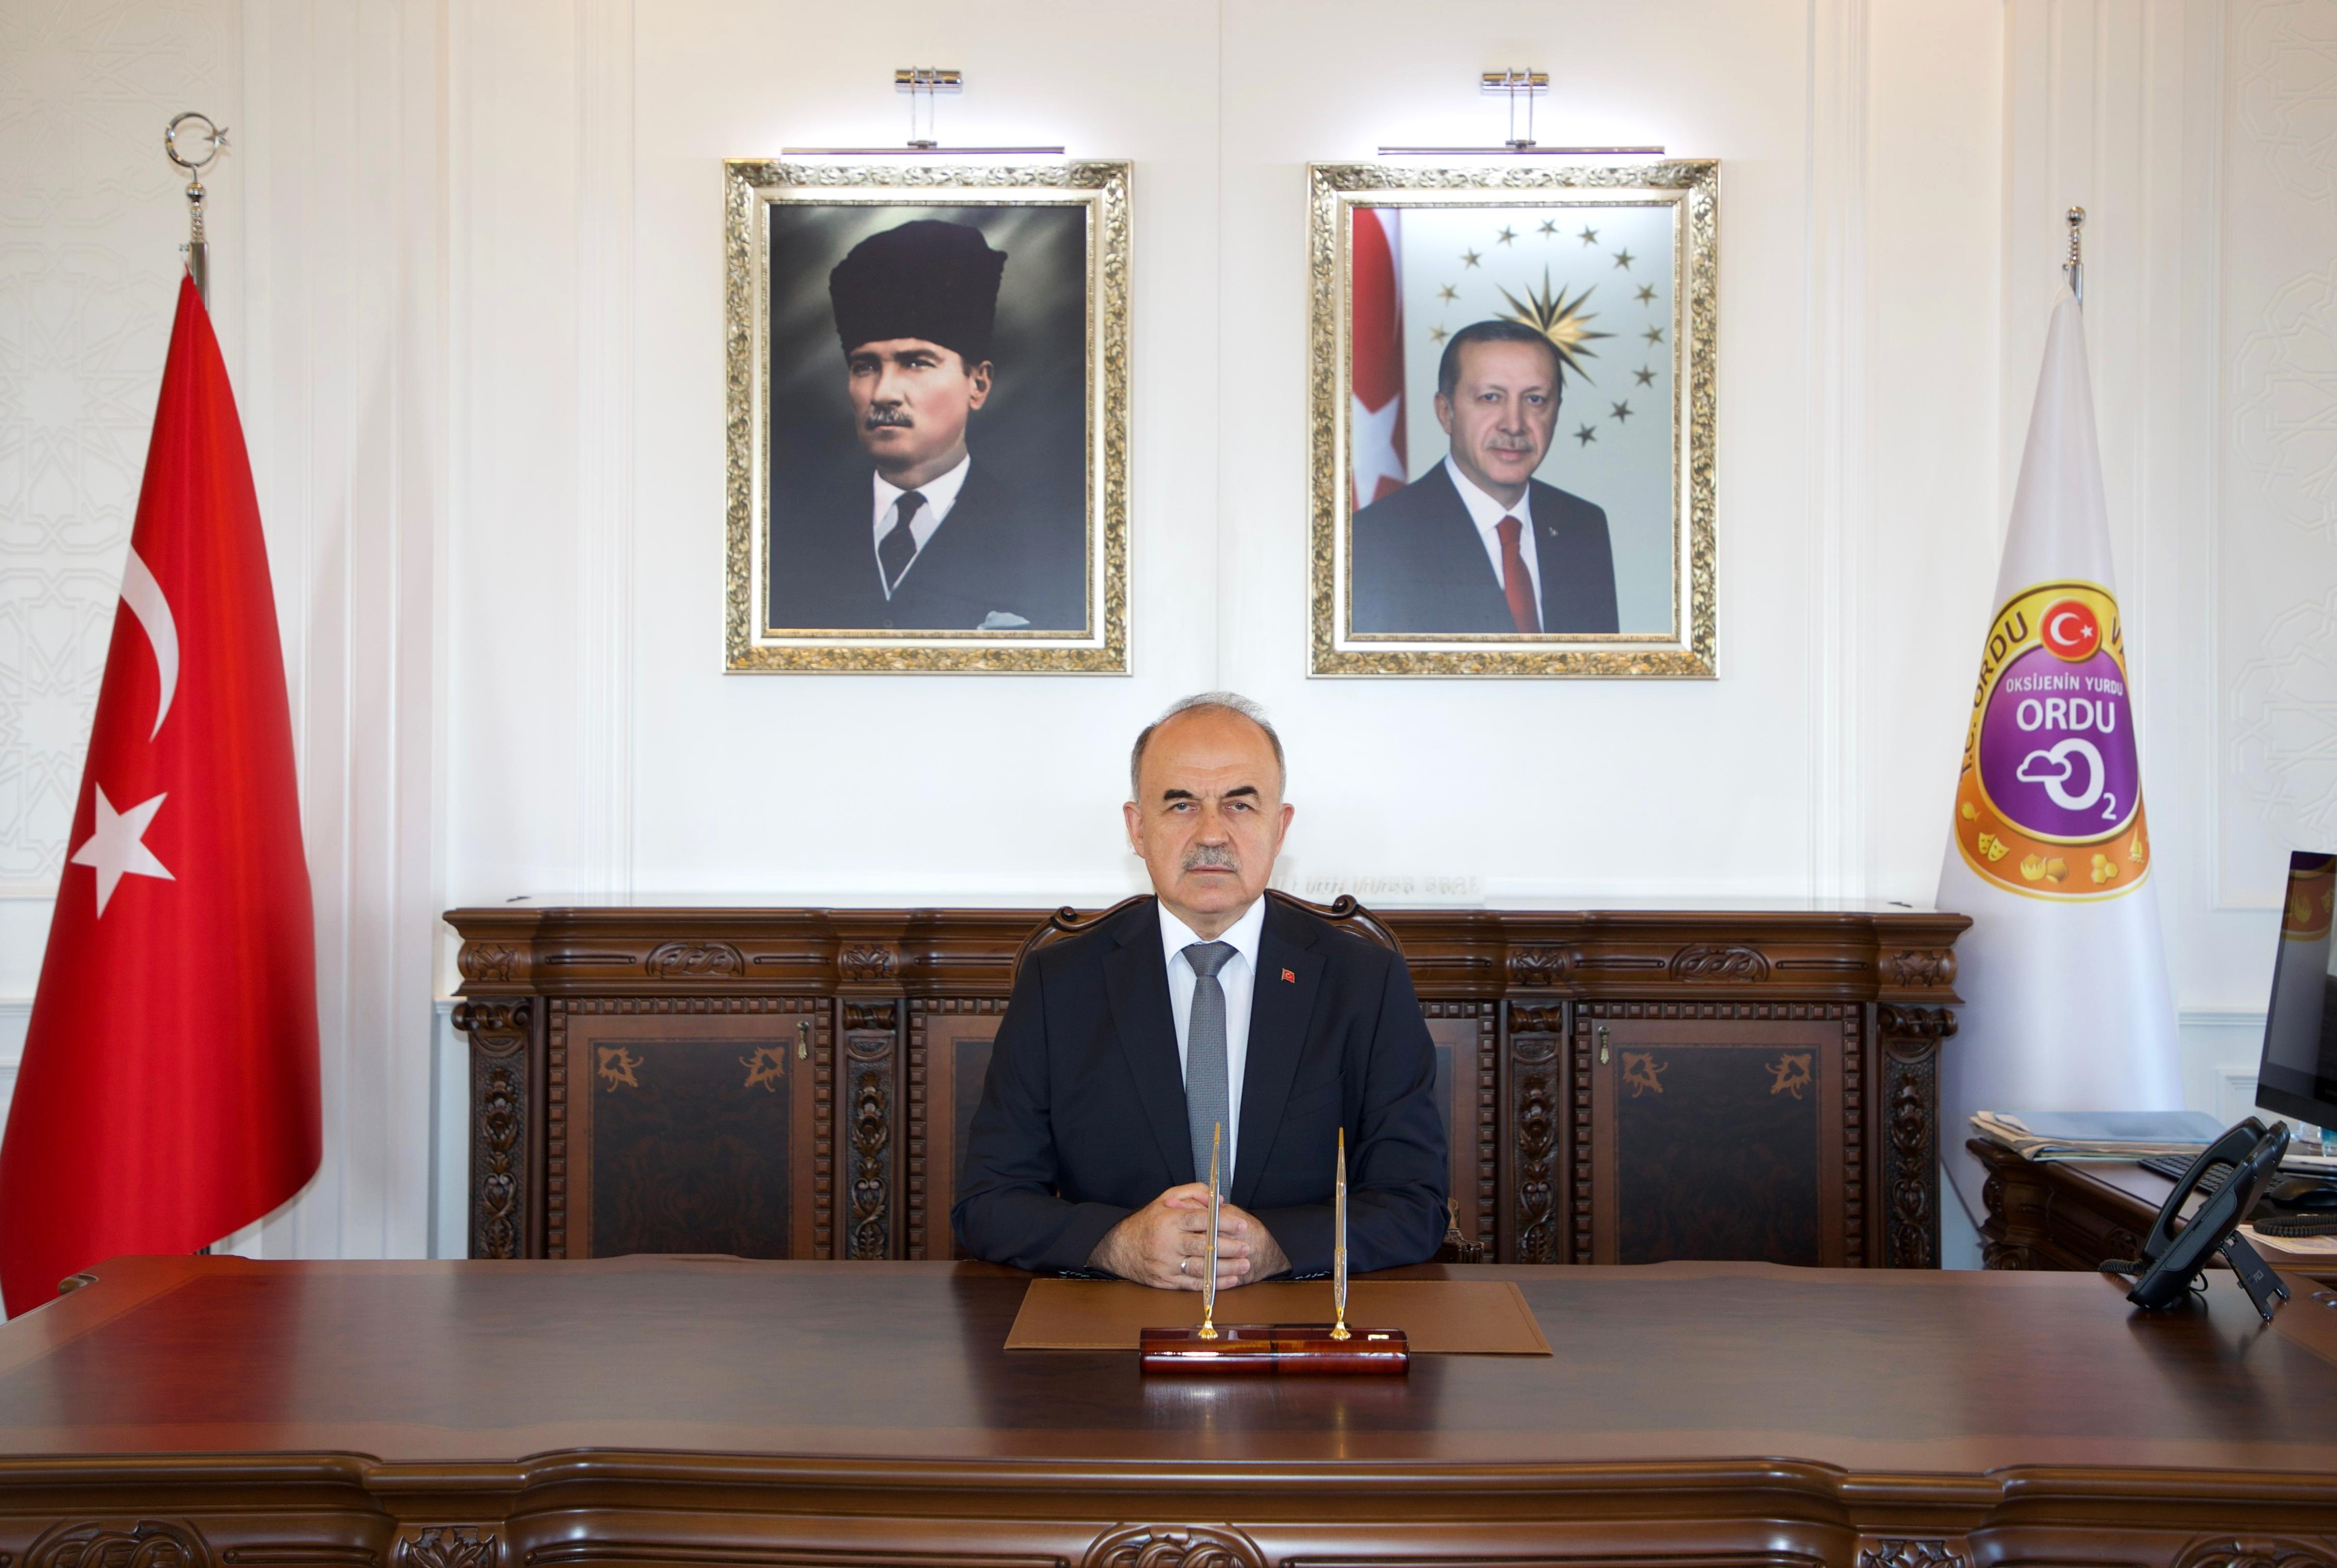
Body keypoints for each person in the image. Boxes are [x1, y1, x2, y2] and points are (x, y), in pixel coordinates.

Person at [951, 693, 1449, 1288]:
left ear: (1279, 826)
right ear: (1138, 828)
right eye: (1181, 804)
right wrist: (1117, 1244)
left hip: (1302, 1319)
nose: (1212, 832)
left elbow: (1415, 1203)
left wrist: (1277, 1247)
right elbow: (988, 1201)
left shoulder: (1364, 982)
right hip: (1113, 1321)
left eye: (1239, 804)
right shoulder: (1058, 984)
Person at [768, 217, 1086, 633]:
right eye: (865, 367)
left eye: (916, 363)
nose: (883, 393)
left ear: (978, 384)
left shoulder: (1044, 540)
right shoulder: (793, 538)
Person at [1350, 319, 1619, 635]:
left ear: (1556, 411)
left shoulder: (1584, 526)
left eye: (1535, 399)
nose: (1514, 425)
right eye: (1491, 397)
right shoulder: (1374, 540)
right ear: (1446, 413)